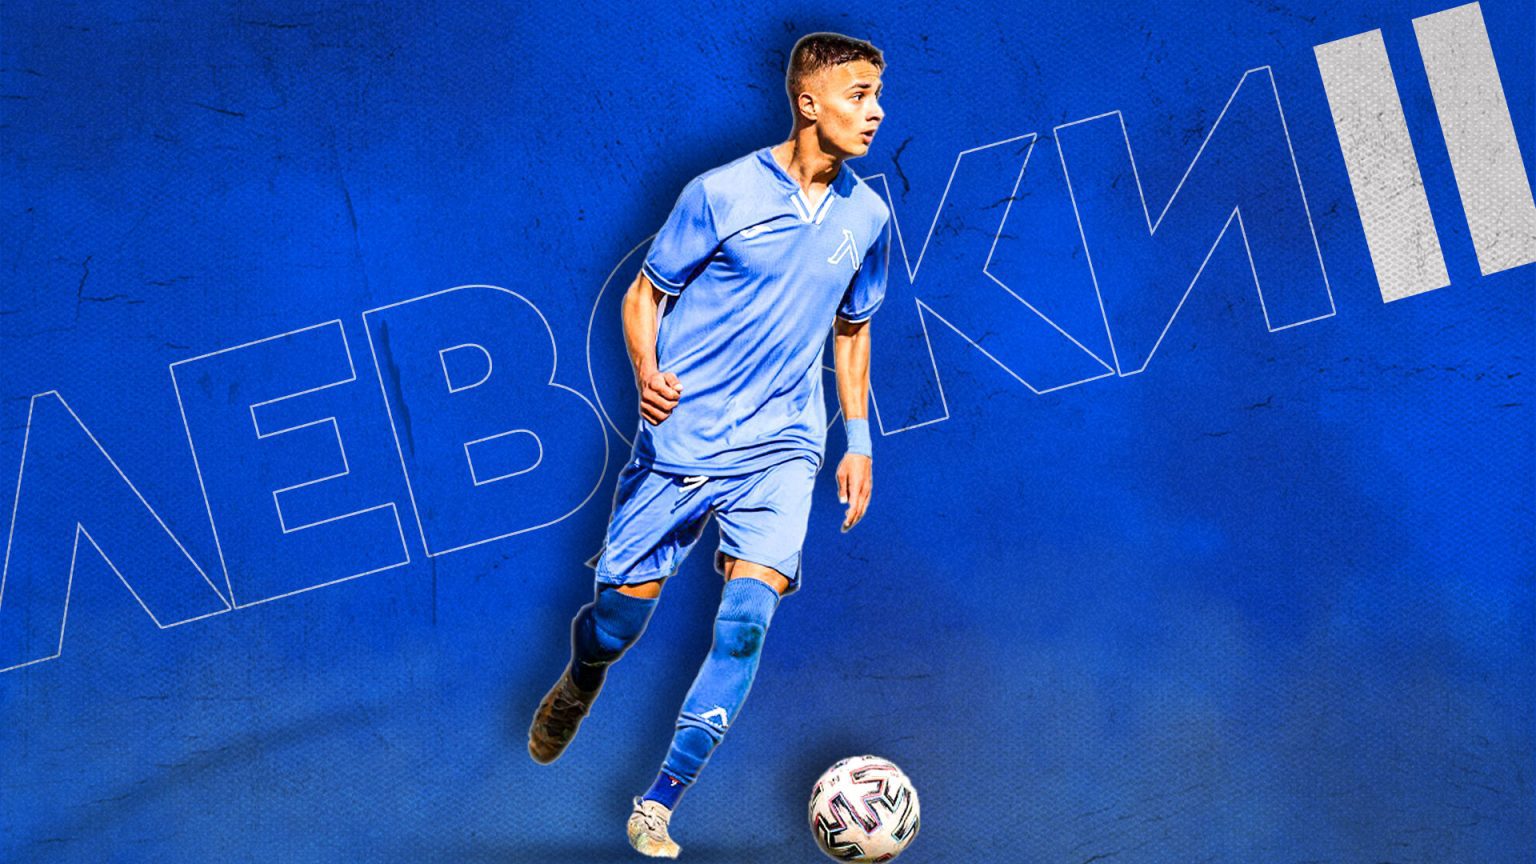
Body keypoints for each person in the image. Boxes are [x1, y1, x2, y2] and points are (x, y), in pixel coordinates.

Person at [528, 31, 891, 858]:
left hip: (784, 448)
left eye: (877, 95)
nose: (875, 112)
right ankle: (583, 674)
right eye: (859, 94)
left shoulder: (868, 216)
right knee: (617, 622)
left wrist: (858, 439)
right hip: (684, 443)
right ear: (809, 102)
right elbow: (644, 294)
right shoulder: (720, 193)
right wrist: (645, 369)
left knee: (746, 624)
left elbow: (853, 329)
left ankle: (659, 802)